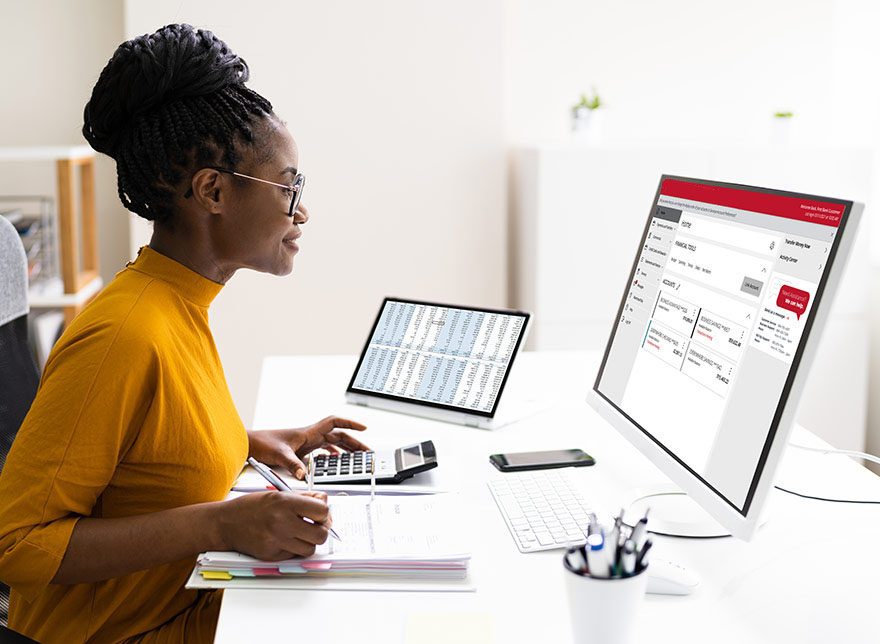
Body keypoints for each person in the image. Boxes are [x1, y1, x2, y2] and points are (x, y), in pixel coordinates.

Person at [0, 23, 368, 644]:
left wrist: (244, 441)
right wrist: (221, 524)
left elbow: (147, 456)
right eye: (289, 186)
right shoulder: (125, 333)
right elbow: (17, 545)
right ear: (212, 191)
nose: (300, 210)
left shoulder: (178, 305)